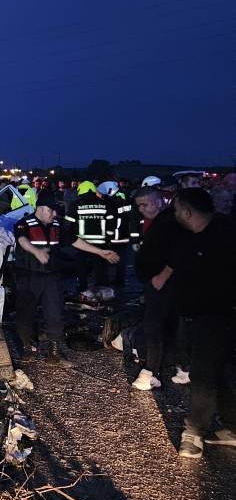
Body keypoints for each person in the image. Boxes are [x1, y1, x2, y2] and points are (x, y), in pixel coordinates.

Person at [150, 189, 236, 458]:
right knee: (220, 372)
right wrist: (163, 277)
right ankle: (232, 427)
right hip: (196, 315)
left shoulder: (225, 235)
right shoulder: (192, 236)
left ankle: (194, 432)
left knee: (203, 374)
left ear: (187, 212)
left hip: (218, 316)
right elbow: (178, 260)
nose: (174, 215)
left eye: (177, 210)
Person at [13, 191, 120, 366]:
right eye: (52, 210)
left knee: (55, 313)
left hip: (52, 277)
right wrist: (36, 252)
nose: (55, 214)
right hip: (28, 276)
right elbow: (22, 240)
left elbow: (75, 241)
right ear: (40, 208)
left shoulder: (57, 225)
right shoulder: (23, 223)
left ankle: (54, 351)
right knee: (26, 314)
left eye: (56, 211)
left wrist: (101, 252)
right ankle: (28, 346)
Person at [128, 186, 184, 390]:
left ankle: (151, 371)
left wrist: (162, 276)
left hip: (163, 281)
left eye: (146, 204)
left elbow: (178, 252)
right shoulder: (151, 220)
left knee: (153, 326)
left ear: (159, 201)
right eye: (139, 205)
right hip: (153, 280)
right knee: (166, 324)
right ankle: (178, 364)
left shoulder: (169, 222)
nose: (142, 209)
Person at [68, 181, 111, 289]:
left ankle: (83, 286)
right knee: (100, 266)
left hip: (82, 243)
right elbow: (111, 222)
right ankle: (103, 286)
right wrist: (108, 238)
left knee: (81, 266)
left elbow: (68, 224)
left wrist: (71, 238)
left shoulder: (75, 205)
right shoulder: (104, 204)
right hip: (100, 242)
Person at [99, 180, 133, 288]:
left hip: (114, 236)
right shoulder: (124, 196)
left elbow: (110, 220)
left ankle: (107, 280)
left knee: (109, 257)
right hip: (124, 233)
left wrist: (107, 236)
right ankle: (120, 280)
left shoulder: (111, 201)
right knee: (122, 259)